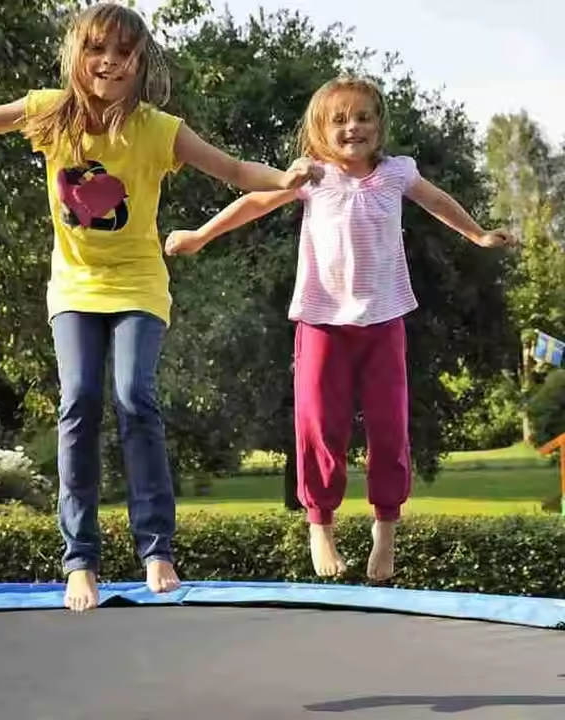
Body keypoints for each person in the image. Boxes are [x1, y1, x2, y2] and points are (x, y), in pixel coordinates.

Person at [0, 3, 322, 610]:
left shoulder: (159, 129)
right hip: (74, 286)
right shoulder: (50, 112)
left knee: (134, 396)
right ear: (78, 55)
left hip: (139, 283)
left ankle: (157, 550)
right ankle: (80, 561)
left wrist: (282, 179)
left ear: (140, 63)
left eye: (123, 53)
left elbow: (230, 168)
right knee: (79, 401)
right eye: (98, 50)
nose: (110, 63)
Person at [164, 76, 517, 583]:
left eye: (364, 117)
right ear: (320, 131)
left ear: (379, 125)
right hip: (322, 321)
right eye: (340, 120)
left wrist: (478, 234)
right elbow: (254, 202)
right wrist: (201, 235)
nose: (353, 127)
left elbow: (438, 201)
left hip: (384, 319)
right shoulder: (312, 176)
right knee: (319, 426)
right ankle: (321, 525)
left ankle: (385, 530)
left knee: (389, 429)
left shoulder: (397, 173)